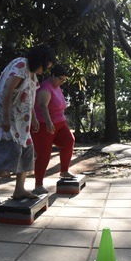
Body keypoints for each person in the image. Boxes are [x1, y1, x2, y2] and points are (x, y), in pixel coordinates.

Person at [0, 45, 55, 203]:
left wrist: (34, 117)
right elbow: (7, 90)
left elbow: (29, 97)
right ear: (39, 60)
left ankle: (19, 189)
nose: (45, 70)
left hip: (21, 119)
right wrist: (6, 118)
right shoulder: (21, 65)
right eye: (44, 66)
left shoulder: (32, 74)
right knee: (12, 151)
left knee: (28, 150)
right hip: (4, 114)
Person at [31, 64, 76, 195]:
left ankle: (64, 171)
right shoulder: (45, 88)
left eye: (64, 80)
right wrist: (49, 122)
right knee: (44, 154)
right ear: (52, 75)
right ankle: (38, 185)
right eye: (60, 79)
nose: (61, 82)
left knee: (69, 140)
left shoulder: (57, 87)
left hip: (60, 123)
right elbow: (42, 106)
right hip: (44, 125)